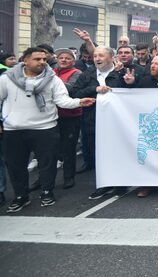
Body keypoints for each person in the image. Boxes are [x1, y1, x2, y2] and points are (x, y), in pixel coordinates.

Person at [1, 47, 95, 212]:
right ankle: (21, 196)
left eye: (44, 59)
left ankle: (47, 192)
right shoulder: (7, 79)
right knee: (16, 165)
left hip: (45, 127)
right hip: (14, 129)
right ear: (26, 60)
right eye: (37, 59)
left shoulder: (52, 80)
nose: (42, 62)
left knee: (47, 163)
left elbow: (62, 100)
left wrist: (79, 102)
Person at [120, 55, 158, 198]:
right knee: (147, 155)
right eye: (152, 63)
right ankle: (146, 184)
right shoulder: (144, 80)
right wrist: (130, 84)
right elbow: (130, 97)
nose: (152, 66)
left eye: (156, 64)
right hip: (146, 124)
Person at [72, 46, 126, 200]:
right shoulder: (86, 75)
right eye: (95, 56)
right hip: (93, 120)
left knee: (118, 152)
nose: (97, 59)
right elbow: (75, 93)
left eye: (101, 55)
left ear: (111, 57)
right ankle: (103, 184)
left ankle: (120, 183)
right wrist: (94, 89)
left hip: (118, 121)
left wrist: (128, 82)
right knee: (97, 153)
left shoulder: (121, 73)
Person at [53, 49, 85, 190]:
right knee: (50, 151)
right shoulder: (51, 72)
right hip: (51, 117)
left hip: (70, 116)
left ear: (73, 61)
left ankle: (68, 177)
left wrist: (48, 82)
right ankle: (43, 179)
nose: (64, 60)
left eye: (68, 58)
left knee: (68, 149)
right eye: (61, 58)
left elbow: (69, 88)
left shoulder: (77, 73)